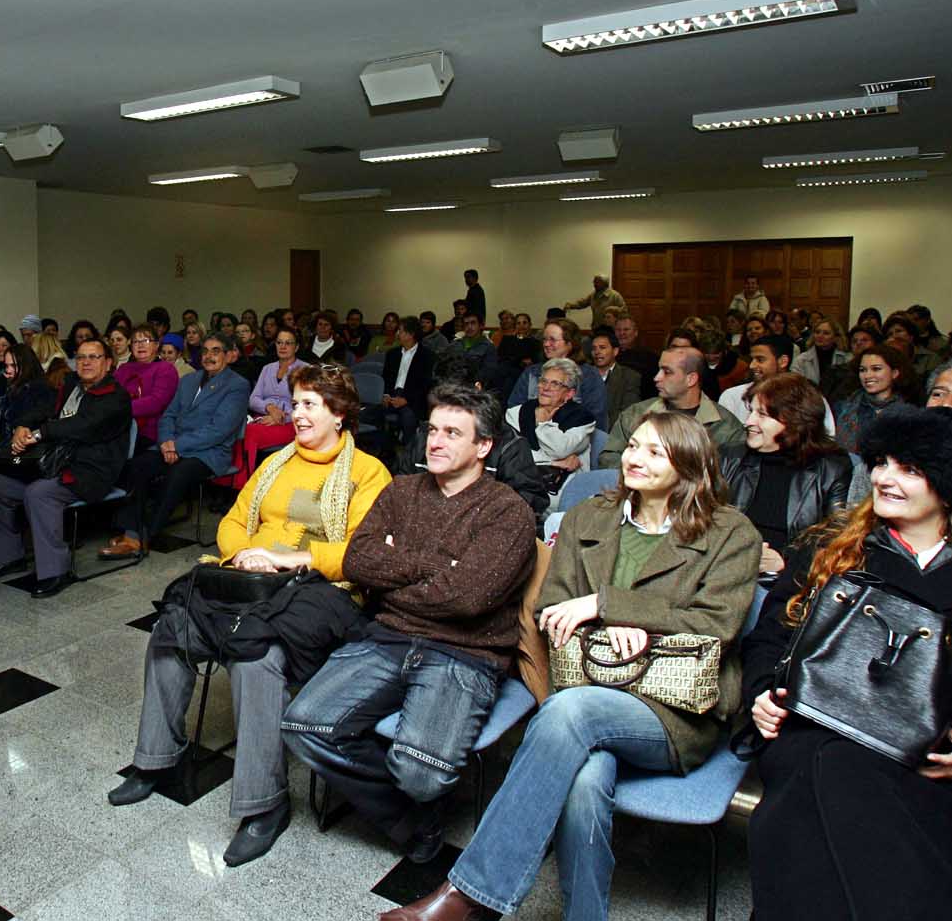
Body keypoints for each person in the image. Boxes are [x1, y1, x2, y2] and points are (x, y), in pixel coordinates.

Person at [383, 411, 760, 921]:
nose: (634, 457)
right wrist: (604, 622)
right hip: (588, 682)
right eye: (633, 447)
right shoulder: (589, 517)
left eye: (654, 451)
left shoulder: (730, 533)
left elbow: (716, 625)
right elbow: (550, 612)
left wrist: (607, 606)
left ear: (691, 463)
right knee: (584, 777)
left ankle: (469, 896)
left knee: (569, 714)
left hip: (672, 711)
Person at [108, 365, 392, 866]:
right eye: (297, 402)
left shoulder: (367, 472)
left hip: (319, 589)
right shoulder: (277, 462)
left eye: (310, 405)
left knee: (256, 653)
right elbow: (236, 520)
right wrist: (247, 555)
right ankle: (156, 759)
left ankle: (266, 804)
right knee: (171, 628)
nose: (297, 413)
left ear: (340, 415)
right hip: (251, 577)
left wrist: (290, 559)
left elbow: (361, 555)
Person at [282, 383, 537, 862]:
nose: (435, 442)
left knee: (421, 773)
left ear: (483, 446)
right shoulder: (401, 491)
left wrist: (400, 569)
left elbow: (470, 599)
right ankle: (410, 820)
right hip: (388, 636)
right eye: (433, 430)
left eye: (452, 433)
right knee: (303, 726)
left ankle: (415, 799)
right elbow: (358, 561)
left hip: (464, 653)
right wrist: (440, 566)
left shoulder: (509, 512)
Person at [741, 406, 952, 921]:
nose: (883, 477)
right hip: (814, 726)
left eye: (909, 469)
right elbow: (769, 641)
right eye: (882, 462)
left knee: (836, 797)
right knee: (825, 768)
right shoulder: (830, 546)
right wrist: (760, 696)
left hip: (926, 755)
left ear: (948, 484)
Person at [0, 335, 132, 598]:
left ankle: (56, 571)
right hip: (54, 461)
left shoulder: (116, 397)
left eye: (94, 357)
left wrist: (39, 434)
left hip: (90, 470)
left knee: (39, 493)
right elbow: (46, 408)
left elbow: (83, 425)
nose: (86, 363)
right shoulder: (72, 383)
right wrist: (23, 425)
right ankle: (9, 557)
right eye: (81, 357)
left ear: (108, 363)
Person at [100, 332, 249, 558]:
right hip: (173, 444)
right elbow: (168, 415)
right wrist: (166, 442)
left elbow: (218, 430)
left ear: (229, 356)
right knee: (138, 465)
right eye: (205, 351)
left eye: (216, 351)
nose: (209, 356)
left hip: (209, 452)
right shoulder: (189, 380)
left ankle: (146, 536)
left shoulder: (237, 385)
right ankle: (131, 532)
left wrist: (176, 446)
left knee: (178, 472)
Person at [720, 372, 851, 578]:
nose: (748, 422)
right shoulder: (730, 457)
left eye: (762, 414)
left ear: (794, 421)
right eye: (751, 411)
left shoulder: (830, 468)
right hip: (726, 569)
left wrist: (785, 560)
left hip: (788, 579)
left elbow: (837, 539)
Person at [598, 346, 744, 469]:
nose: (657, 377)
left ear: (691, 379)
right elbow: (609, 457)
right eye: (659, 370)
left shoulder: (726, 426)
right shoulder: (636, 414)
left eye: (667, 372)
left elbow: (733, 475)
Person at [507, 358, 596, 510]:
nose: (545, 388)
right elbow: (511, 455)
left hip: (562, 488)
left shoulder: (583, 419)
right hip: (521, 481)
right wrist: (553, 463)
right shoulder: (516, 413)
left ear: (569, 393)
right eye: (543, 381)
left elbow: (558, 449)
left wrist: (543, 424)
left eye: (555, 384)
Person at [719, 335, 837, 434]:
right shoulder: (732, 396)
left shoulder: (807, 395)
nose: (752, 365)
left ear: (783, 361)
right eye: (752, 359)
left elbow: (827, 435)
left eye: (760, 360)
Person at [507, 318, 609, 431]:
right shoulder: (531, 373)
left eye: (552, 340)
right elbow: (514, 409)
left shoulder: (588, 375)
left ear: (570, 343)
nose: (546, 344)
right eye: (544, 339)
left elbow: (597, 419)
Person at [238, 328, 309, 486]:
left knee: (250, 433)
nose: (282, 346)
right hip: (264, 418)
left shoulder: (306, 370)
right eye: (279, 342)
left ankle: (244, 487)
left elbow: (307, 405)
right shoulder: (267, 368)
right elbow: (253, 399)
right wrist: (269, 407)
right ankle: (231, 483)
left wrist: (282, 415)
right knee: (238, 429)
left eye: (288, 343)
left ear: (296, 347)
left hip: (291, 423)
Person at [834, 342, 911, 451]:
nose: (868, 376)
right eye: (862, 370)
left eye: (876, 369)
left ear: (894, 373)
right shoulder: (843, 407)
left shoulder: (907, 414)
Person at [114, 324, 179, 451]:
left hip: (148, 431)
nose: (140, 345)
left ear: (157, 345)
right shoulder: (123, 369)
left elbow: (156, 402)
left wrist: (119, 408)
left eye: (146, 340)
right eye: (136, 341)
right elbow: (110, 396)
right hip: (118, 426)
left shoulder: (165, 369)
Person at [380, 316, 435, 449]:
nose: (398, 333)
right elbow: (386, 377)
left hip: (412, 399)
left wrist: (406, 399)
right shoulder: (392, 354)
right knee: (370, 414)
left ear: (411, 334)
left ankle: (409, 454)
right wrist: (386, 394)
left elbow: (424, 385)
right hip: (392, 395)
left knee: (408, 417)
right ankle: (384, 452)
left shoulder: (426, 356)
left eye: (401, 330)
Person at [589, 326, 643, 429]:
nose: (597, 352)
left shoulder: (629, 377)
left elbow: (628, 413)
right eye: (594, 348)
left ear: (615, 351)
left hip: (614, 434)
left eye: (602, 347)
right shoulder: (583, 375)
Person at [790, 317, 850, 398]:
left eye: (826, 333)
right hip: (810, 403)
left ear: (835, 337)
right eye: (817, 332)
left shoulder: (846, 359)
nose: (820, 336)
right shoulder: (801, 360)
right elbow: (795, 388)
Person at [613, 315, 659, 400]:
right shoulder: (609, 355)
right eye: (618, 330)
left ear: (635, 333)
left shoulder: (650, 357)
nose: (622, 333)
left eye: (626, 329)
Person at [562, 273, 627, 330]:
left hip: (611, 329)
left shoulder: (615, 295)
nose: (594, 284)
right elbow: (582, 303)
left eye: (596, 282)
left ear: (604, 283)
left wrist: (614, 312)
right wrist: (571, 305)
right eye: (594, 282)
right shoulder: (593, 295)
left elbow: (624, 310)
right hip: (596, 328)